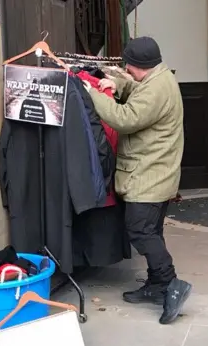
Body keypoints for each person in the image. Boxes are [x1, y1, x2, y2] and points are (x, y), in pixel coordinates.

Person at [82, 36, 191, 325]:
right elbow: (137, 88)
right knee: (151, 231)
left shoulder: (157, 89)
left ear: (135, 65)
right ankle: (157, 286)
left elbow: (125, 118)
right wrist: (116, 84)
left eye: (127, 67)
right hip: (154, 172)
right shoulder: (160, 77)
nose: (126, 70)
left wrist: (92, 94)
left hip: (149, 175)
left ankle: (171, 285)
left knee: (140, 231)